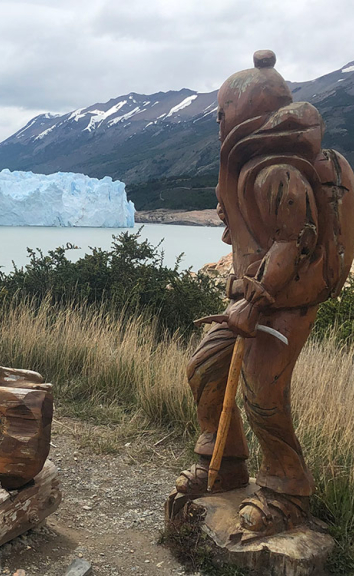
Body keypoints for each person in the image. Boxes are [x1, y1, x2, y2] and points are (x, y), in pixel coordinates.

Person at [175, 50, 354, 535]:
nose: (218, 123)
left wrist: (253, 299)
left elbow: (294, 242)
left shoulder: (276, 170)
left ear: (243, 110)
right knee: (206, 368)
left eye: (222, 113)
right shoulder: (249, 163)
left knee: (262, 389)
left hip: (286, 300)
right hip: (254, 297)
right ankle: (223, 461)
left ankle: (285, 489)